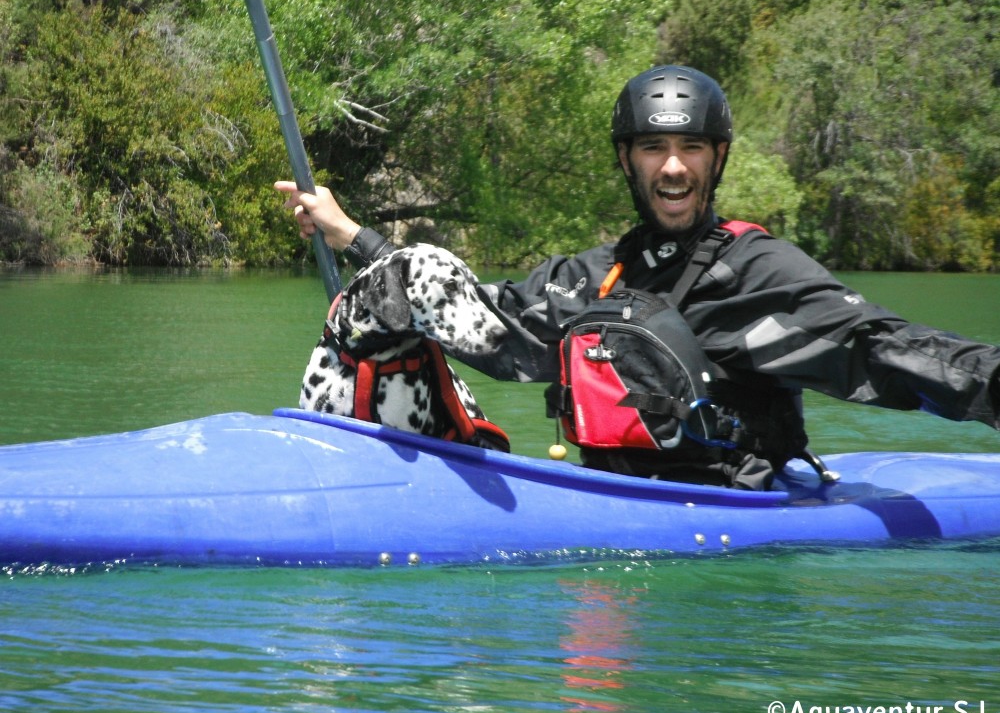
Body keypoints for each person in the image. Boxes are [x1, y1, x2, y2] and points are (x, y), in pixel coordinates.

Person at [276, 64, 1000, 489]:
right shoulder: (598, 277)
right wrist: (358, 238)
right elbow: (484, 320)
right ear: (628, 160)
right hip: (610, 526)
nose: (674, 165)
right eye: (654, 147)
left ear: (717, 158)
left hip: (729, 530)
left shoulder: (757, 270)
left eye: (691, 147)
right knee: (411, 291)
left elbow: (887, 347)